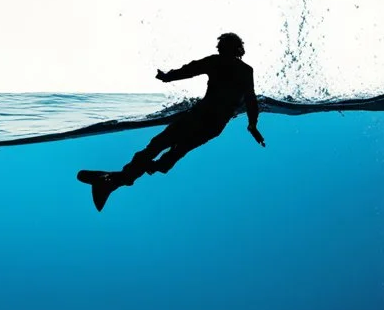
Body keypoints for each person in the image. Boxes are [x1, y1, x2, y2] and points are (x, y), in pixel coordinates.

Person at [77, 32, 265, 211]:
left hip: (199, 117)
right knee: (176, 151)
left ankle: (119, 178)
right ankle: (123, 178)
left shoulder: (217, 61)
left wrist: (168, 77)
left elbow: (192, 69)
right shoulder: (245, 70)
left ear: (227, 48)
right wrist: (252, 125)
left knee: (158, 145)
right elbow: (250, 99)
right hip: (214, 126)